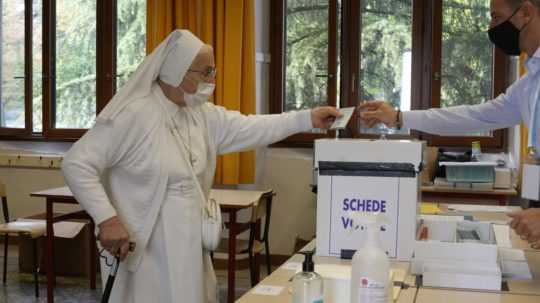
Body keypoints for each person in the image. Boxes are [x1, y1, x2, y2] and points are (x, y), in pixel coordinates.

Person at [62, 29, 341, 303]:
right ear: (176, 71)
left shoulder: (201, 115)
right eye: (205, 72)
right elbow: (77, 164)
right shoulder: (134, 114)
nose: (212, 79)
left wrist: (307, 119)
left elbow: (252, 126)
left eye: (213, 71)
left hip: (192, 242)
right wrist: (107, 219)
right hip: (147, 245)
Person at [357, 0, 540, 249]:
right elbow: (473, 117)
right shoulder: (530, 83)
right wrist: (400, 117)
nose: (491, 27)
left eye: (496, 18)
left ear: (526, 13)